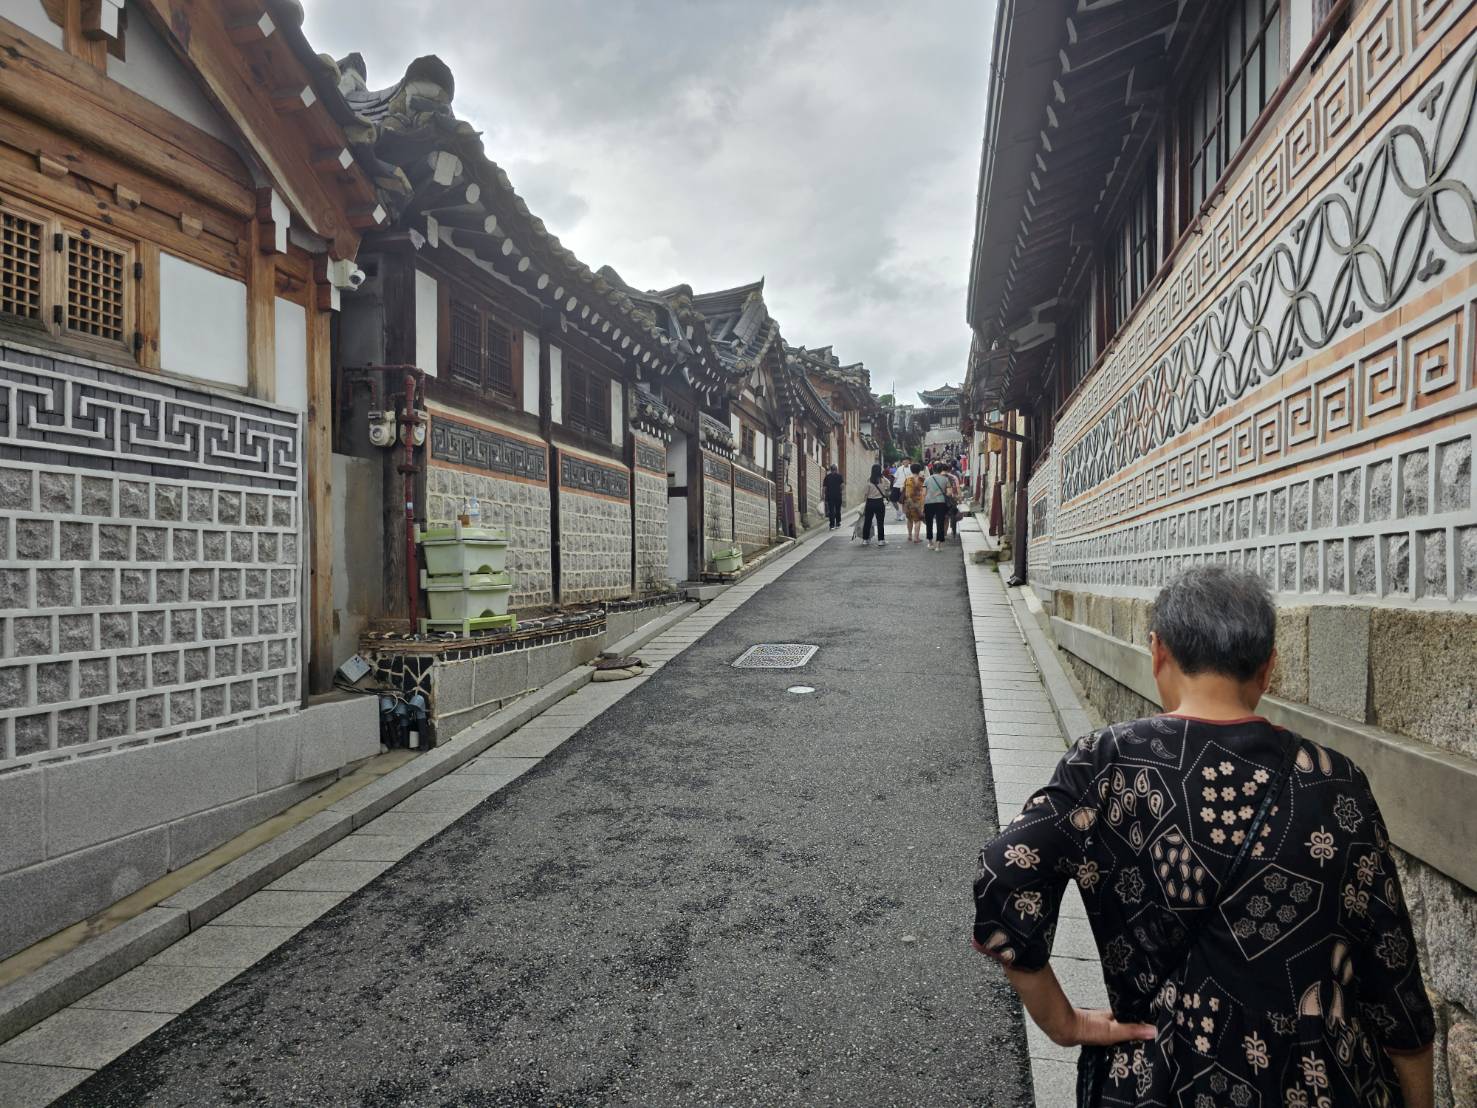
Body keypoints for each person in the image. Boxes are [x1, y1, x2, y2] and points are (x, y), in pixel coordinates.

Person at [972, 567, 1434, 1108]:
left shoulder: (1107, 764)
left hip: (1157, 1079)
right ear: (1267, 669)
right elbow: (1392, 973)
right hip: (1316, 1083)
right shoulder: (1337, 783)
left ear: (1158, 651)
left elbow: (1004, 876)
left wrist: (1065, 1023)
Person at [923, 463, 953, 551]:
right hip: (940, 502)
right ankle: (938, 545)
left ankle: (930, 543)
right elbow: (949, 493)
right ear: (941, 470)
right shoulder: (946, 480)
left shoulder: (927, 480)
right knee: (940, 523)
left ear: (933, 469)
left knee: (929, 523)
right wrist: (940, 492)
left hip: (928, 502)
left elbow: (924, 493)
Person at [860, 463, 890, 546]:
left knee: (867, 521)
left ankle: (865, 540)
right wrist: (883, 477)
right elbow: (889, 484)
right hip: (880, 502)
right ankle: (881, 540)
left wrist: (863, 503)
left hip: (870, 503)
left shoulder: (869, 480)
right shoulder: (883, 480)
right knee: (880, 522)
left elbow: (865, 494)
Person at [902, 462, 927, 543]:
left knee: (909, 519)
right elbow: (924, 492)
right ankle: (916, 538)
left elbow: (903, 490)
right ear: (919, 470)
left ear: (911, 470)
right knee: (918, 520)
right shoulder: (922, 479)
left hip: (908, 502)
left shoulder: (907, 479)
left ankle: (909, 535)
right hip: (918, 502)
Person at [822, 464, 843, 530]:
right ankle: (838, 523)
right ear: (836, 469)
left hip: (830, 496)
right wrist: (840, 490)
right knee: (838, 510)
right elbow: (842, 486)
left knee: (831, 510)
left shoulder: (827, 477)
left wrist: (823, 496)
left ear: (831, 470)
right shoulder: (840, 476)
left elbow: (824, 488)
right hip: (838, 496)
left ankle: (832, 525)